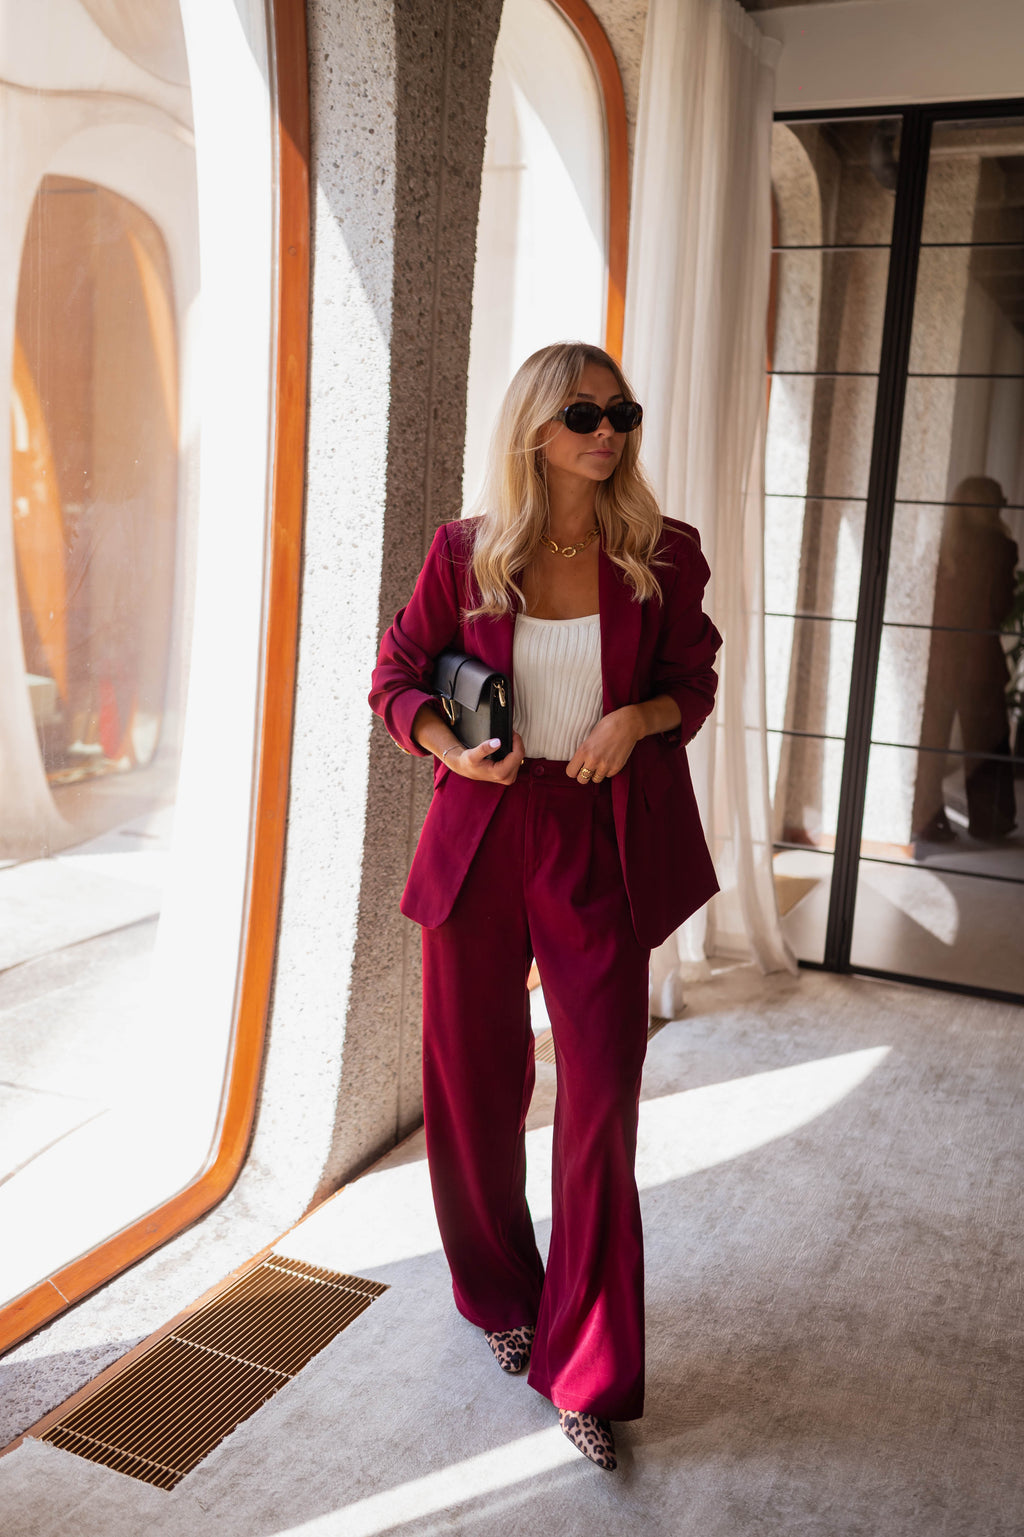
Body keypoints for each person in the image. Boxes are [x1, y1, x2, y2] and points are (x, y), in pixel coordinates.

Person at [369, 341, 721, 1469]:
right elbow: (396, 677)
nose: (607, 431)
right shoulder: (465, 553)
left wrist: (637, 719)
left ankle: (590, 1368)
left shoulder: (663, 554)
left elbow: (694, 680)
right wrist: (448, 747)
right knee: (473, 1087)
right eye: (583, 414)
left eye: (622, 412)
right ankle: (500, 1296)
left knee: (601, 1097)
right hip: (482, 831)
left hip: (598, 833)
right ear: (534, 426)